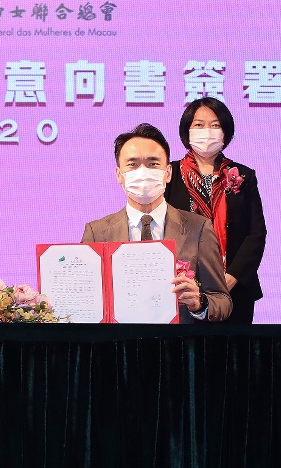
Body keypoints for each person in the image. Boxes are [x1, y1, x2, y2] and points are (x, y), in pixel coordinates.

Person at [81, 123, 232, 322]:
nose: (143, 172)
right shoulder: (96, 232)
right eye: (133, 164)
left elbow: (222, 301)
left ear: (168, 173)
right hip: (119, 340)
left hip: (177, 340)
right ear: (119, 175)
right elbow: (85, 298)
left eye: (153, 164)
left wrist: (199, 303)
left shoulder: (198, 228)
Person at [165, 97, 267, 324]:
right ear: (187, 131)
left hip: (235, 289)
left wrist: (230, 278)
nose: (207, 132)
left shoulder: (243, 175)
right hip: (183, 289)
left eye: (215, 125)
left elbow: (256, 234)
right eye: (199, 125)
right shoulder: (169, 174)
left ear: (225, 132)